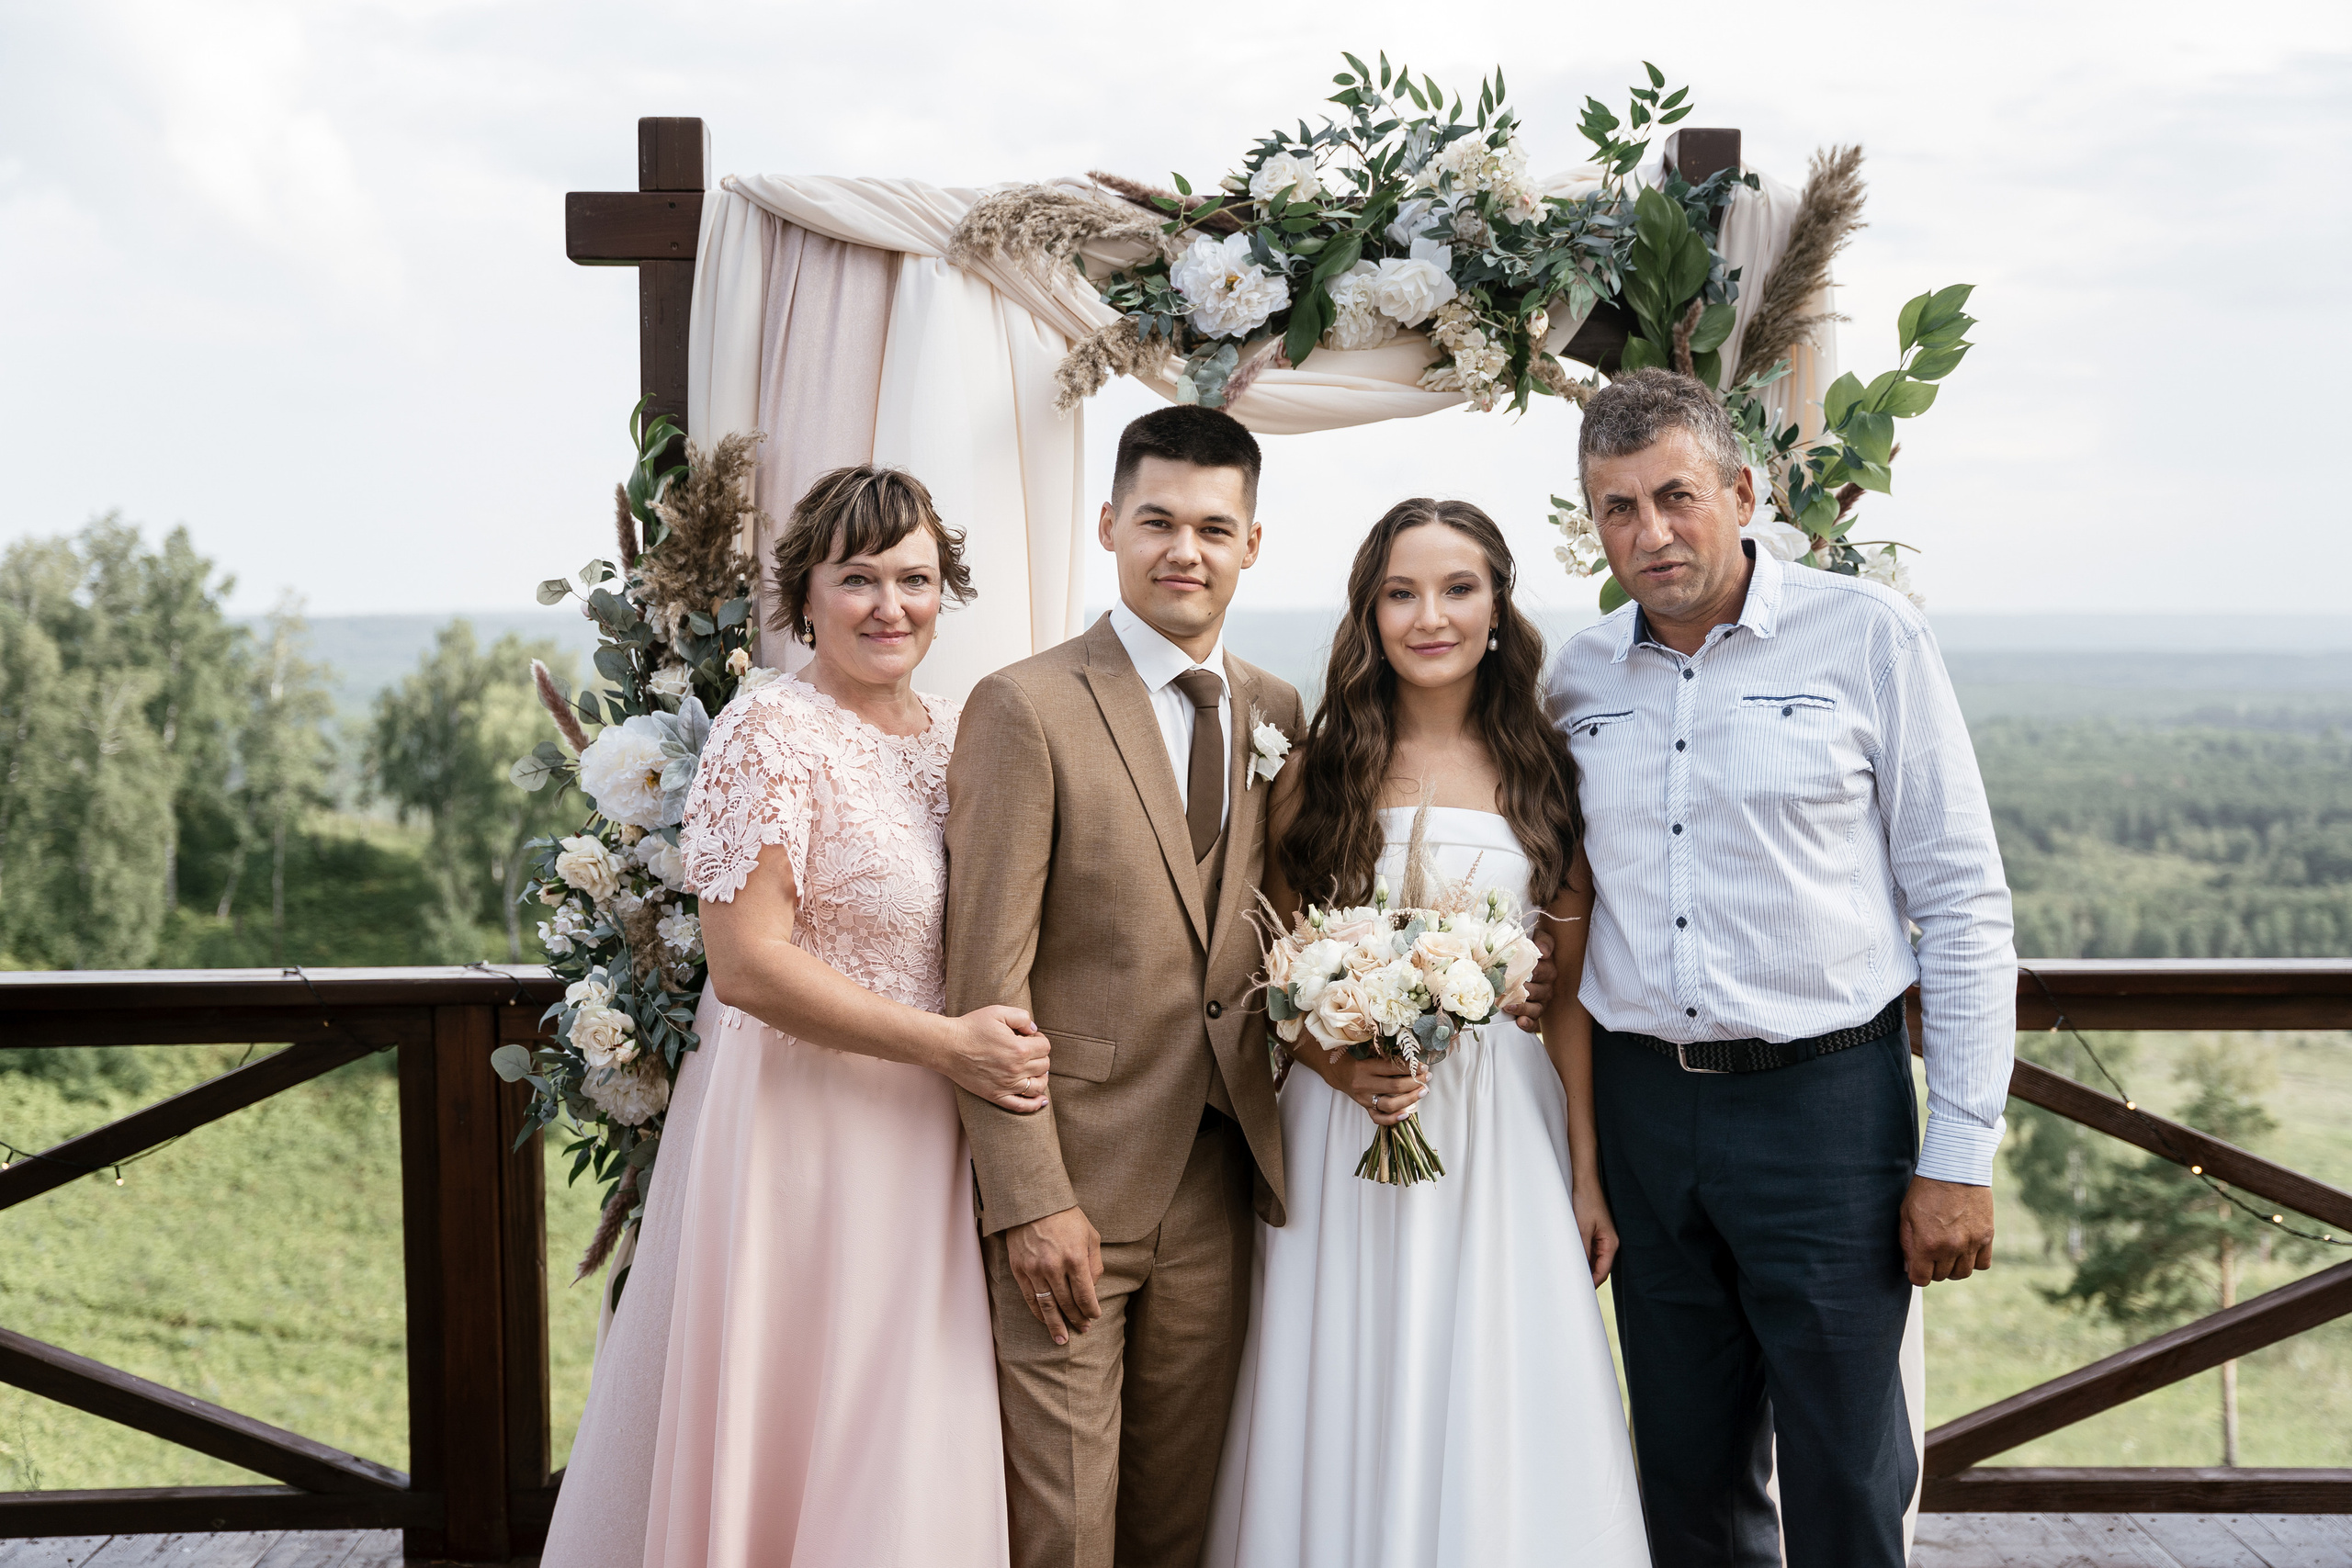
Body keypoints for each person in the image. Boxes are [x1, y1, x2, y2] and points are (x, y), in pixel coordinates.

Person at [1545, 368, 2016, 1567]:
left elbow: (1961, 897)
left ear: (1743, 492)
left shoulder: (1869, 633)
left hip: (1825, 1110)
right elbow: (1553, 902)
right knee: (1687, 1481)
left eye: (1675, 496)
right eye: (1615, 507)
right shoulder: (1573, 679)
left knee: (1847, 1472)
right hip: (1646, 1111)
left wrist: (1960, 1150)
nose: (1649, 532)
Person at [543, 466, 1047, 1568]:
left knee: (904, 1422)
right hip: (801, 1134)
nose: (888, 606)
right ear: (804, 593)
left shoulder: (961, 731)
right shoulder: (767, 733)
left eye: (914, 579)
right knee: (806, 1408)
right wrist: (948, 1045)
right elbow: (749, 968)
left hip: (931, 1135)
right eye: (856, 577)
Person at [1203, 499, 1649, 1568]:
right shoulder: (1318, 770)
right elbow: (1268, 969)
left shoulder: (1546, 772)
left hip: (1498, 1134)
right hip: (1341, 1127)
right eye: (1401, 592)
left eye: (1457, 590)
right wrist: (1339, 1063)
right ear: (1369, 610)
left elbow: (1572, 998)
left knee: (1497, 1375)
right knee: (1341, 1371)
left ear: (1497, 607)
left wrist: (1585, 1177)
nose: (1429, 616)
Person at [942, 406, 1299, 1568]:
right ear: (1108, 525)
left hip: (1219, 1178)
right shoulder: (1026, 706)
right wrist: (1030, 1200)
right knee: (1065, 1526)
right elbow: (980, 984)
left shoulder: (1277, 713)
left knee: (1173, 1520)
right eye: (1156, 521)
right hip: (1074, 1181)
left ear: (1253, 544)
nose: (1181, 550)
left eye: (1212, 526)